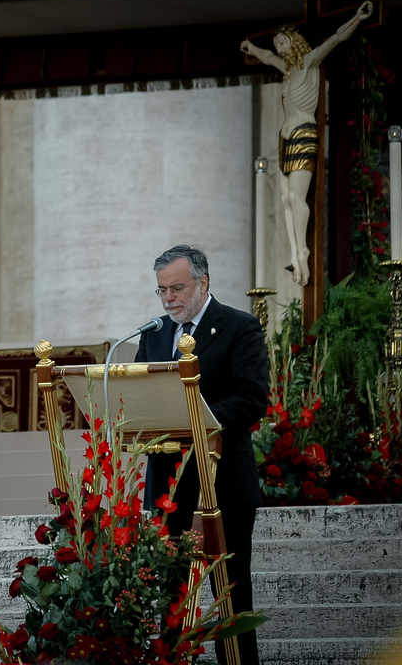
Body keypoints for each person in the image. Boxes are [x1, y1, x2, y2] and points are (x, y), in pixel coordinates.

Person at [136, 245, 268, 665]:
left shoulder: (238, 326)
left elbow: (251, 400)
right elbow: (142, 395)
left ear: (203, 282)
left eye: (177, 288)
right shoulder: (154, 333)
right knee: (170, 599)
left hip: (221, 483)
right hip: (168, 487)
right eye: (161, 290)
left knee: (230, 594)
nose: (169, 298)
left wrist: (195, 419)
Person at [240, 1, 372, 287]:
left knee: (296, 197)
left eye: (283, 41)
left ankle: (303, 250)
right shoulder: (286, 69)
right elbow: (265, 57)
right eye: (277, 43)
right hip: (284, 136)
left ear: (294, 41)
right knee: (286, 198)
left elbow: (337, 37)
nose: (279, 47)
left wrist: (357, 18)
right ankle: (295, 254)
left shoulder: (310, 61)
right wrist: (251, 47)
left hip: (303, 132)